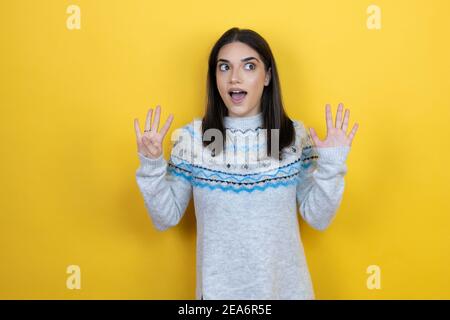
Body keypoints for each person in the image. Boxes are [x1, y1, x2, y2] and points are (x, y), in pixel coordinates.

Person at [133, 27, 359, 300]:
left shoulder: (292, 137)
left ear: (267, 77)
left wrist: (332, 165)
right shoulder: (193, 140)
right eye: (224, 67)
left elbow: (319, 217)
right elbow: (165, 217)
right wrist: (152, 164)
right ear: (214, 77)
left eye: (249, 66)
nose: (234, 78)